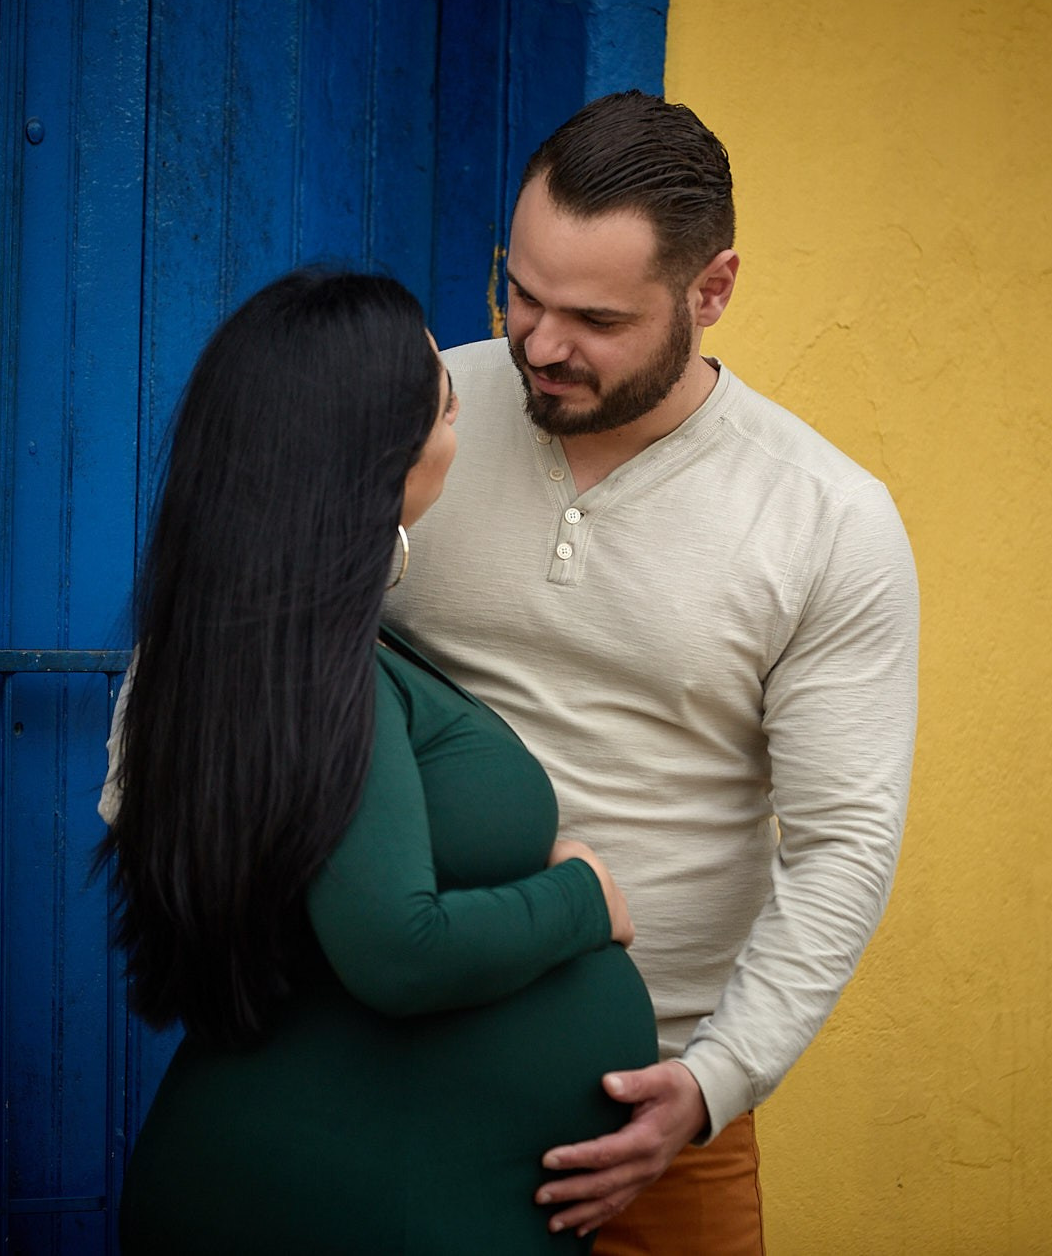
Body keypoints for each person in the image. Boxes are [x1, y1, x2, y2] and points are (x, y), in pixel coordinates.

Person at [383, 92, 921, 1251]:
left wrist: (715, 1083)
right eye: (521, 293)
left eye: (594, 317)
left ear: (710, 290)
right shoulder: (412, 420)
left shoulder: (825, 519)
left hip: (649, 1104)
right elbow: (252, 626)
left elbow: (840, 841)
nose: (539, 345)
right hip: (380, 1062)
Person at [95, 269, 659, 1253]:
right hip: (355, 1204)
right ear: (376, 453)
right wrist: (583, 896)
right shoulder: (320, 668)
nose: (460, 423)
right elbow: (401, 948)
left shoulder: (239, 647)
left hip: (361, 1184)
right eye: (445, 405)